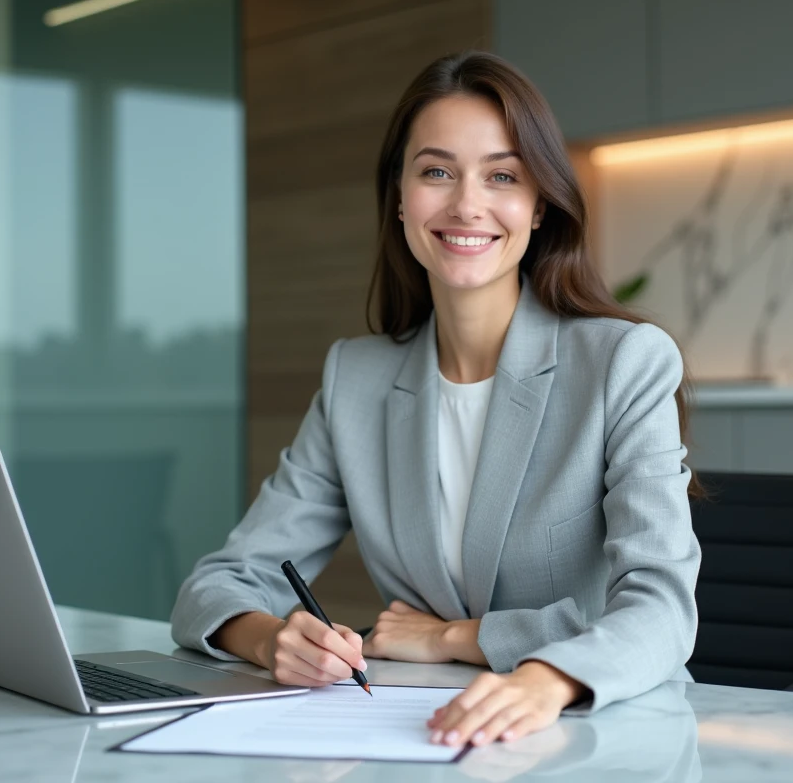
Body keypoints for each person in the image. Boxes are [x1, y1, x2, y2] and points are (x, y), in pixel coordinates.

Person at [171, 50, 701, 749]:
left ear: (539, 204)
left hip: (601, 736)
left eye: (502, 176)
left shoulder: (622, 363)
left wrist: (490, 653)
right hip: (420, 735)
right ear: (400, 197)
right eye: (436, 172)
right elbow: (218, 584)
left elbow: (661, 609)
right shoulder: (355, 379)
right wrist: (272, 639)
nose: (466, 205)